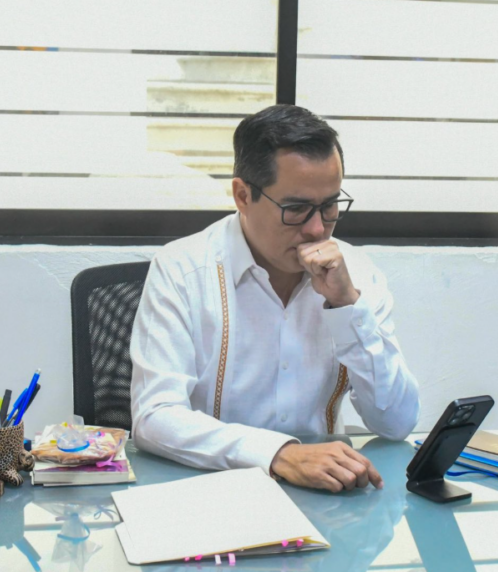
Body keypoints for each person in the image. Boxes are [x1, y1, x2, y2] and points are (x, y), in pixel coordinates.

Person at [129, 104, 420, 493]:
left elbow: (396, 422)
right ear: (242, 195)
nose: (317, 229)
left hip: (324, 495)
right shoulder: (182, 271)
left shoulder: (356, 275)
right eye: (296, 209)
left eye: (329, 205)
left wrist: (346, 307)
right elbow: (154, 416)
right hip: (209, 490)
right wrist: (278, 455)